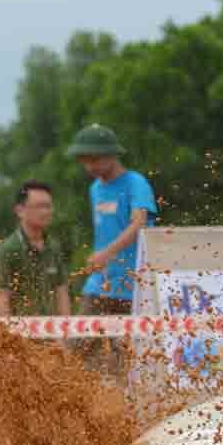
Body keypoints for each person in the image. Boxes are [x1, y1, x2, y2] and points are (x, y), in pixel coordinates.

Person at [67, 124, 156, 315]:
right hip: (99, 282)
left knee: (122, 345)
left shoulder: (136, 183)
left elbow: (139, 223)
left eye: (94, 159)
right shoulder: (95, 189)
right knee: (77, 341)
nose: (89, 166)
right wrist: (98, 256)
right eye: (84, 161)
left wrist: (106, 254)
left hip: (132, 285)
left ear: (112, 154)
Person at [0, 180, 72, 318]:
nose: (46, 211)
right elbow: (1, 297)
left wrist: (64, 333)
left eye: (48, 206)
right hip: (20, 332)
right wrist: (8, 335)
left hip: (51, 331)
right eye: (40, 206)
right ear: (20, 210)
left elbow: (61, 292)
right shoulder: (8, 249)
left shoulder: (53, 247)